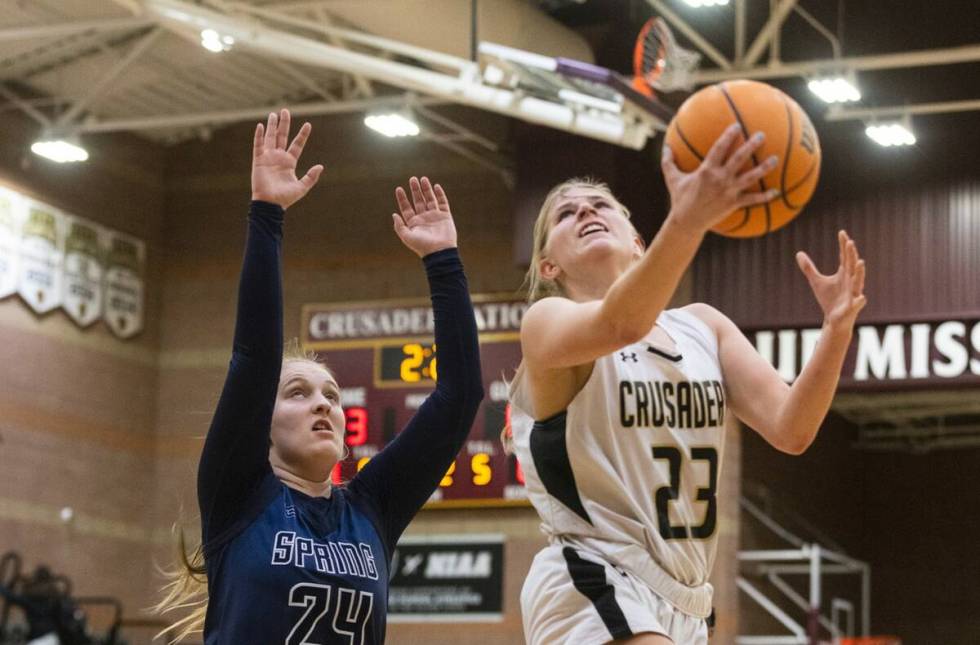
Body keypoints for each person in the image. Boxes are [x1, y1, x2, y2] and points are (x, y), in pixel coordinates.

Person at [507, 124, 867, 645]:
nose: (585, 212)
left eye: (600, 205)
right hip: (594, 571)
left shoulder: (703, 326)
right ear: (548, 264)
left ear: (637, 242)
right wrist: (690, 219)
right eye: (566, 214)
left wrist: (835, 331)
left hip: (687, 596)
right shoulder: (546, 322)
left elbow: (793, 429)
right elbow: (620, 325)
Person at [156, 109, 484, 643]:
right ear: (262, 421)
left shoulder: (371, 508)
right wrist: (267, 214)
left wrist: (444, 260)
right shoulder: (239, 494)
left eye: (331, 395)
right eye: (298, 393)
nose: (322, 404)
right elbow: (255, 357)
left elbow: (460, 395)